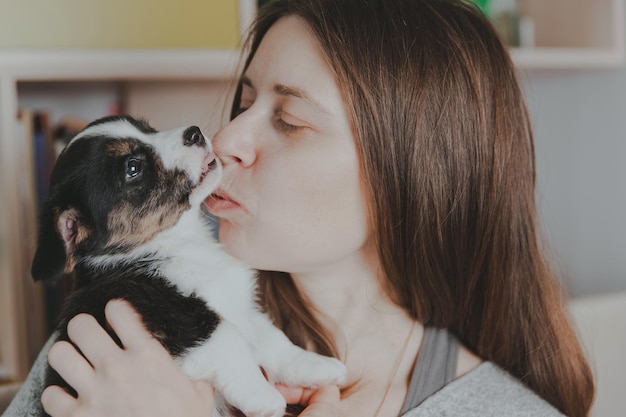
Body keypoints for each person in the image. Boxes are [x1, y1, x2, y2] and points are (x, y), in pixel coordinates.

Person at [3, 0, 594, 416]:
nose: (228, 138)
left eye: (289, 121)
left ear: (413, 177)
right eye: (244, 101)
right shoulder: (127, 319)